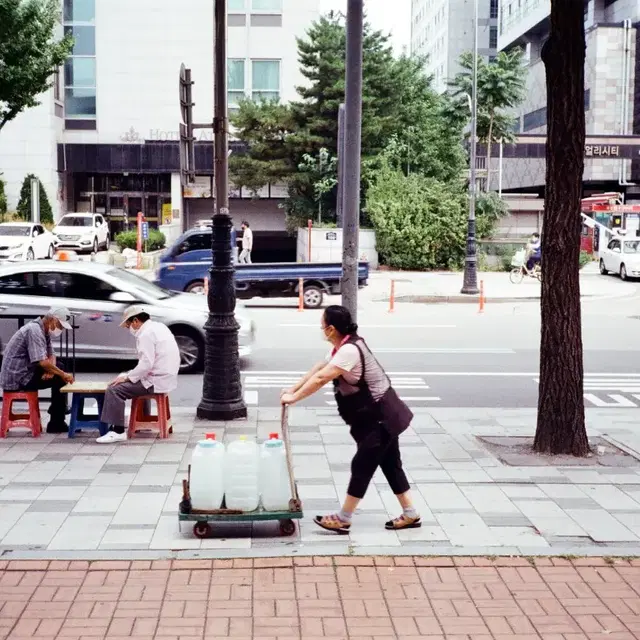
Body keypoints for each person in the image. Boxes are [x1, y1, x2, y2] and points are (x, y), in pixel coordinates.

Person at [280, 305, 420, 534]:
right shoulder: (341, 347)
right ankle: (411, 514)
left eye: (322, 325)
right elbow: (318, 369)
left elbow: (322, 379)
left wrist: (293, 398)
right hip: (379, 416)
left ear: (331, 329)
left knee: (362, 464)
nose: (320, 328)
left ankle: (343, 518)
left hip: (381, 417)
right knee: (390, 464)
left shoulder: (349, 351)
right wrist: (292, 389)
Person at [97, 305, 180, 444]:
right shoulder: (159, 327)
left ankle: (117, 431)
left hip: (155, 380)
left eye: (128, 325)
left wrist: (127, 377)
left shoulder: (145, 334)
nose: (128, 328)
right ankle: (142, 418)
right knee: (132, 377)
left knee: (114, 389)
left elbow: (146, 364)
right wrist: (130, 375)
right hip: (166, 377)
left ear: (135, 321)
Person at [0, 307, 74, 433]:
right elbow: (42, 362)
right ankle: (56, 422)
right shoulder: (34, 330)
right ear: (52, 320)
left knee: (59, 368)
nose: (60, 329)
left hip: (27, 372)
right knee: (60, 377)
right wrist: (63, 374)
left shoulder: (44, 331)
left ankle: (57, 420)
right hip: (18, 378)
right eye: (60, 325)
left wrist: (51, 370)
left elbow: (51, 355)